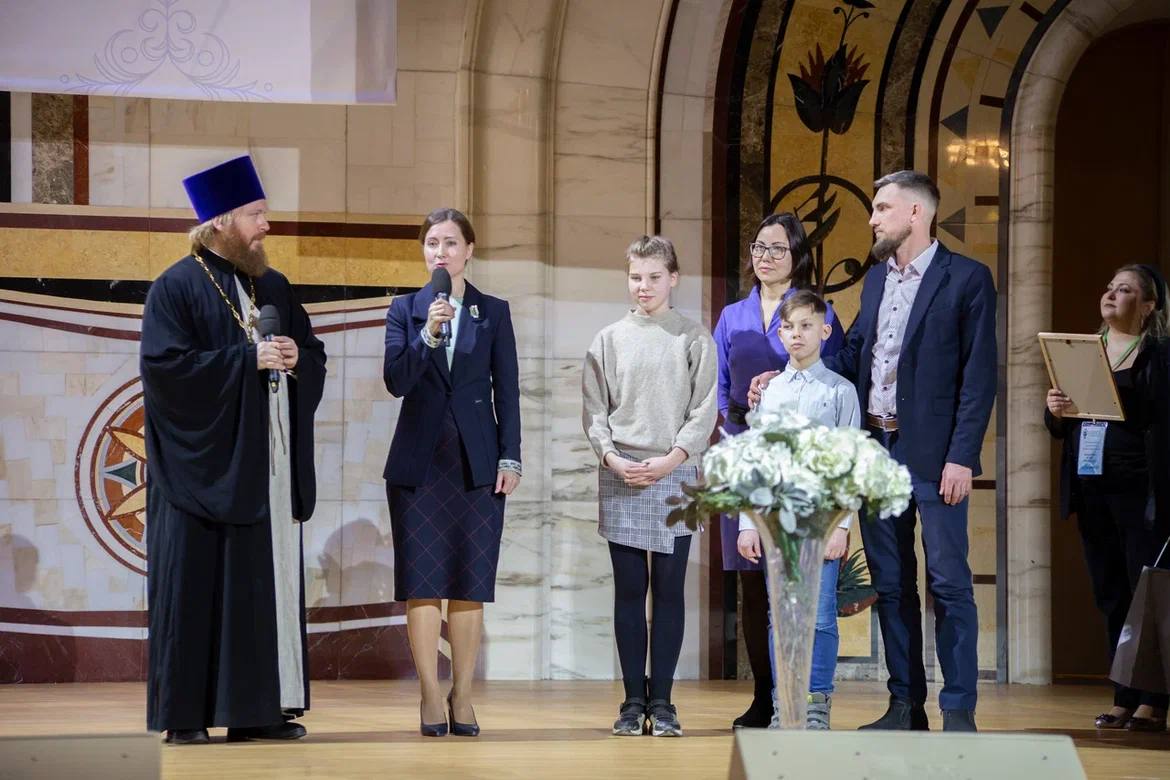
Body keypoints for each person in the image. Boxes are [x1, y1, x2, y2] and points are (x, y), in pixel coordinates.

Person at [752, 170, 996, 731]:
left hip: (937, 458)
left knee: (949, 583)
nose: (872, 218)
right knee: (892, 583)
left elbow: (979, 377)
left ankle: (958, 708)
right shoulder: (878, 281)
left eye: (883, 208)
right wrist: (788, 375)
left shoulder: (967, 278)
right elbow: (854, 356)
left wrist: (962, 457)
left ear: (916, 213)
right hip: (877, 449)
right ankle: (905, 706)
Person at [141, 155, 327, 745]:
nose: (266, 225)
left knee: (260, 591)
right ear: (219, 220)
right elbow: (165, 372)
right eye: (255, 214)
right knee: (194, 590)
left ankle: (259, 712)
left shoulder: (273, 286)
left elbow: (312, 352)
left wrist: (297, 359)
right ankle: (185, 717)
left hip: (265, 468)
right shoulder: (175, 287)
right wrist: (246, 360)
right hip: (199, 473)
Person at [382, 207, 521, 737]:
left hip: (475, 463)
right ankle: (428, 694)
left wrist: (510, 456)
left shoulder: (494, 311)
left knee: (469, 583)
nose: (439, 252)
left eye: (450, 243)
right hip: (418, 464)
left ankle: (462, 694)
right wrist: (429, 334)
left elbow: (507, 389)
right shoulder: (406, 310)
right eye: (431, 243)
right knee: (422, 583)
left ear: (469, 250)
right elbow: (396, 380)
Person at [712, 212, 845, 729]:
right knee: (753, 581)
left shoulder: (813, 311)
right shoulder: (732, 315)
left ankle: (804, 697)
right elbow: (720, 389)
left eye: (777, 249)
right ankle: (765, 697)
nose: (765, 257)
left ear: (797, 256)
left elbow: (836, 376)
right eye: (758, 248)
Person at [582, 235, 718, 738]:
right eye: (636, 277)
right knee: (629, 590)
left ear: (673, 278)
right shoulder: (608, 339)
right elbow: (594, 411)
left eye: (654, 277)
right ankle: (631, 700)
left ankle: (662, 701)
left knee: (668, 590)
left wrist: (673, 459)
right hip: (622, 470)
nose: (644, 286)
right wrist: (612, 458)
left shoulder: (693, 337)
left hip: (676, 471)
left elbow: (704, 409)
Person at [1045, 264, 1169, 732]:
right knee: (1111, 594)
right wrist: (1055, 409)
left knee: (1146, 596)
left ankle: (1153, 700)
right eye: (1110, 287)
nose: (1112, 294)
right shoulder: (1085, 350)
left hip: (1140, 491)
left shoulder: (1159, 354)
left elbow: (1160, 416)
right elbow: (1061, 426)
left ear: (1149, 305)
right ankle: (1122, 695)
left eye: (1126, 290)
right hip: (1091, 486)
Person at [737, 289, 858, 730]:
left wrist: (842, 526)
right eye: (788, 327)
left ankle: (815, 704)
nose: (797, 334)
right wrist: (747, 524)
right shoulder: (769, 392)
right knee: (783, 619)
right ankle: (783, 704)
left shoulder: (841, 391)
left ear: (824, 331)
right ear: (780, 333)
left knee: (820, 618)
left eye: (806, 326)